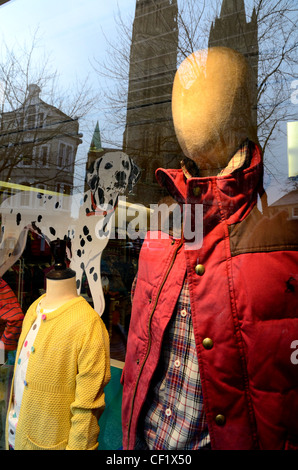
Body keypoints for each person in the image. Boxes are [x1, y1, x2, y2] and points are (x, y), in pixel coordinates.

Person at [121, 47, 298, 450]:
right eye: (182, 90)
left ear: (241, 105)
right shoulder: (162, 224)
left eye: (208, 87)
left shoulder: (284, 226)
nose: (187, 101)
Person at [6, 240, 111, 450]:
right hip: (14, 436)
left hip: (49, 443)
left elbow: (86, 412)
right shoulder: (34, 308)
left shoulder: (89, 326)